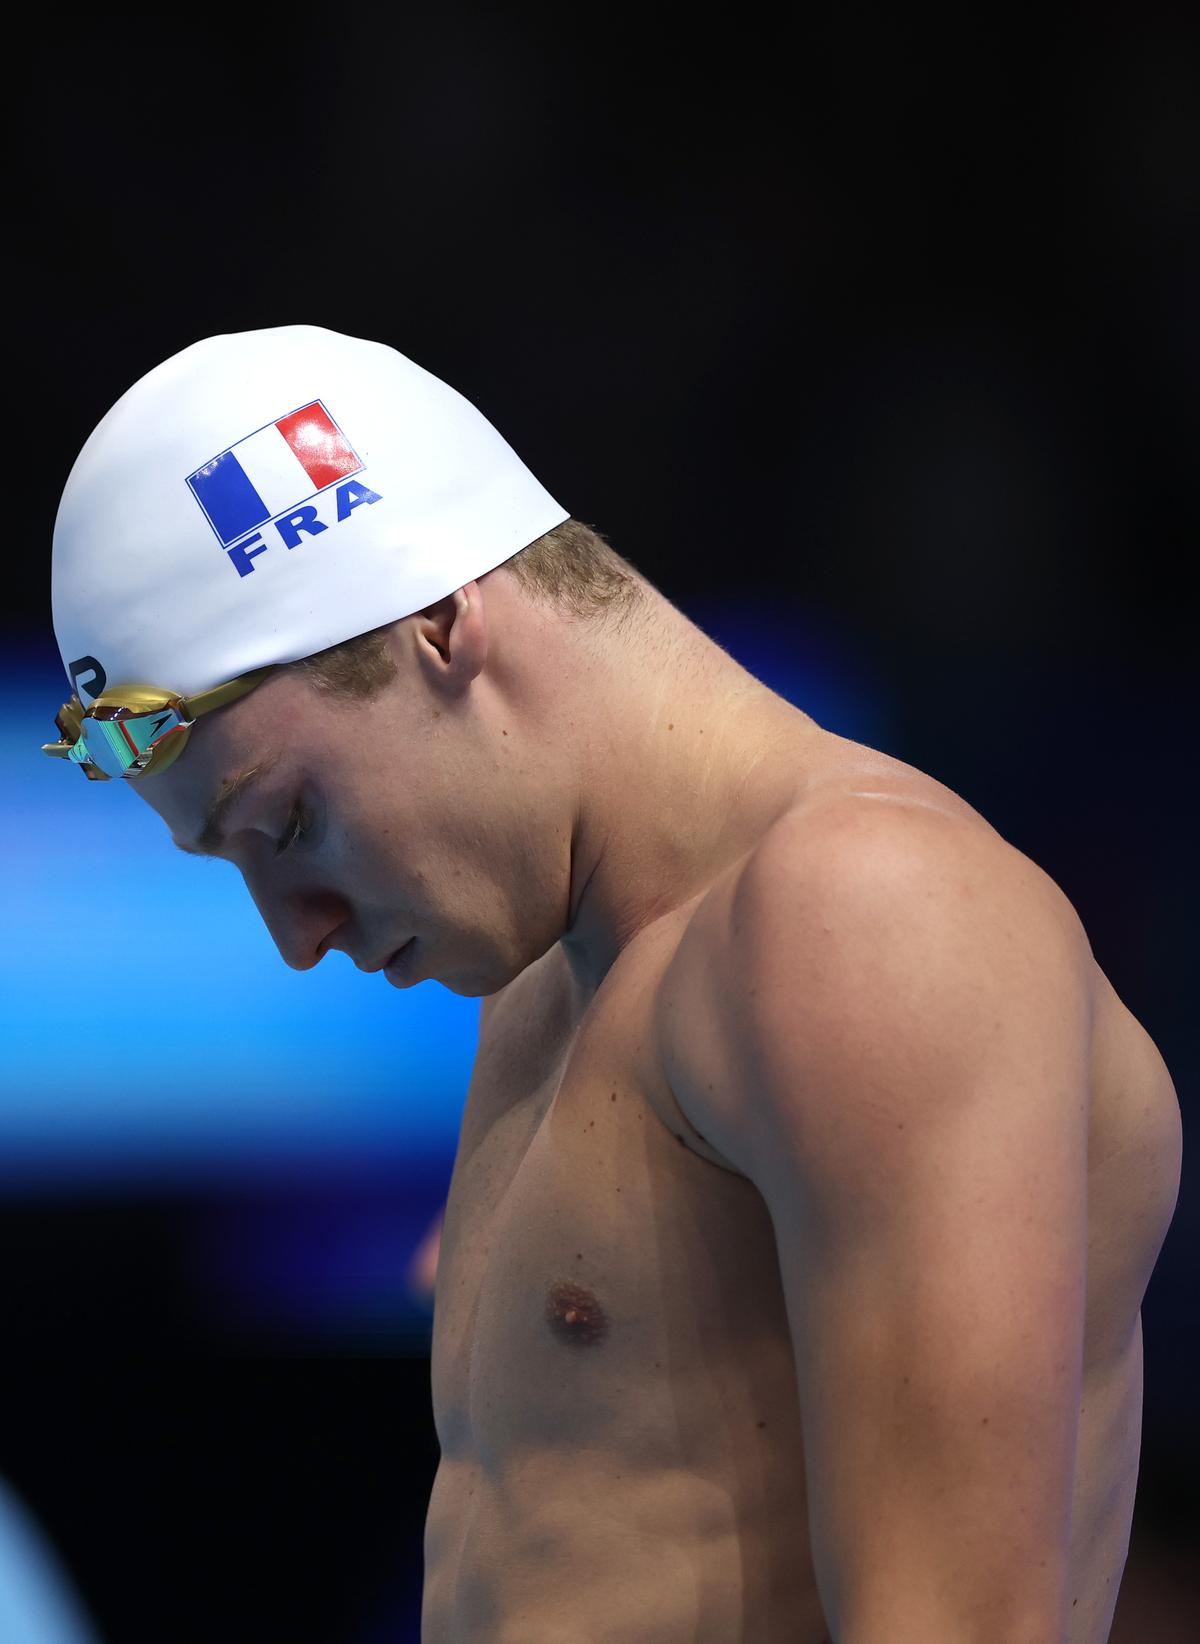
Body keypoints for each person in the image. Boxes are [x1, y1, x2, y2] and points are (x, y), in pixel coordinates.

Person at [44, 326, 1182, 1643]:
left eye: (288, 823)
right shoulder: (551, 977)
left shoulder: (866, 912)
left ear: (439, 625)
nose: (296, 936)